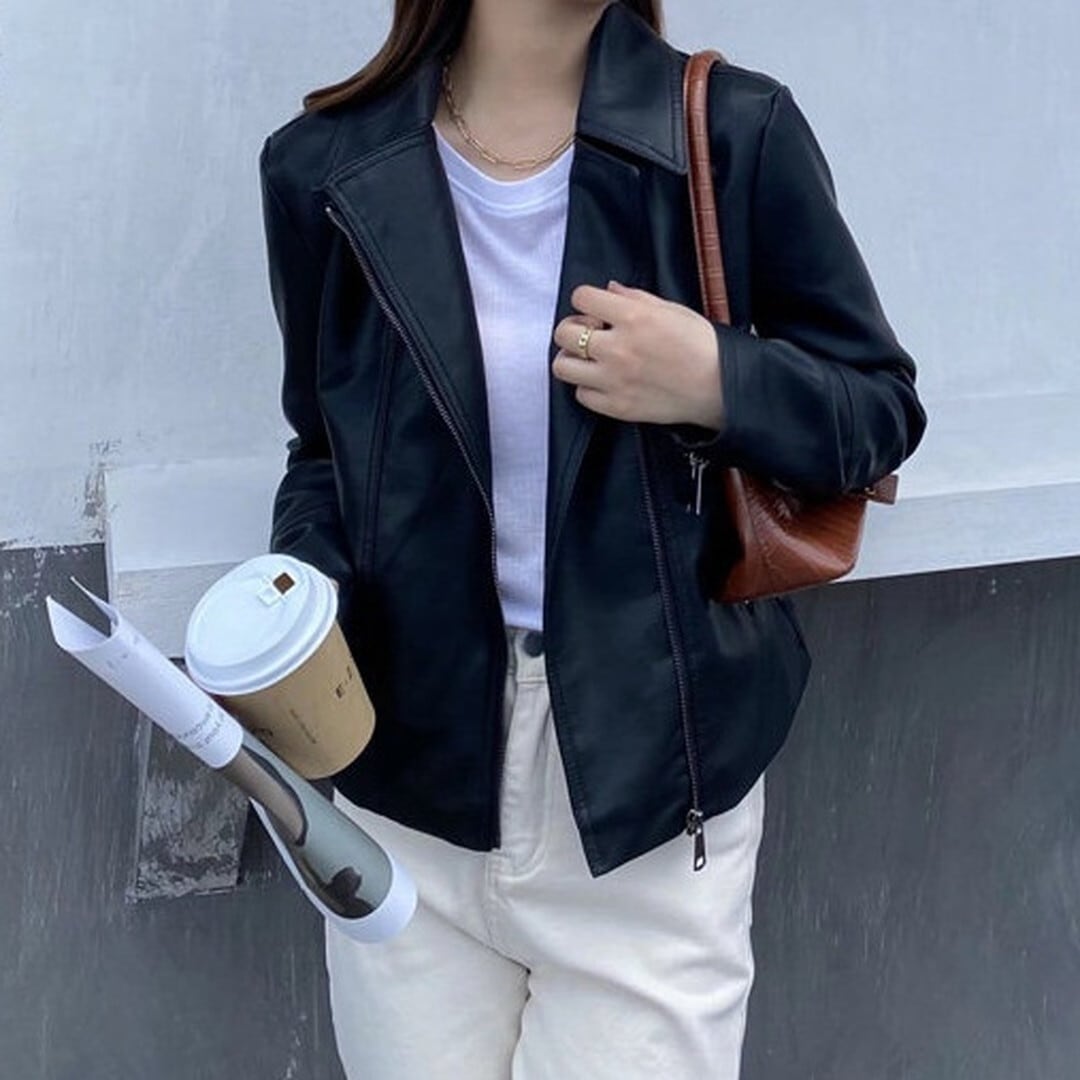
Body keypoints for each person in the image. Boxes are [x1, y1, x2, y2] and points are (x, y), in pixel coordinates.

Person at [257, 1, 928, 1076]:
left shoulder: (729, 131)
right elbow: (327, 454)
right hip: (407, 781)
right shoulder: (322, 167)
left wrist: (716, 379)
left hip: (649, 796)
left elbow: (878, 413)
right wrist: (298, 605)